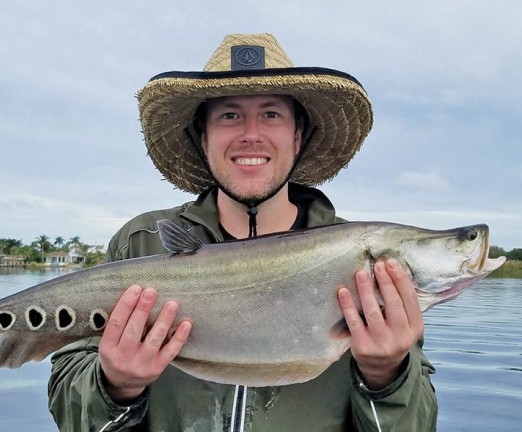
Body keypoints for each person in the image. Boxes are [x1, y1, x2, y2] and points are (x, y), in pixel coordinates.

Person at [48, 33, 438, 431]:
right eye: (229, 115)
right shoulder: (139, 244)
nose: (251, 133)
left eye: (271, 114)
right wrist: (116, 386)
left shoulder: (364, 263)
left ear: (297, 136)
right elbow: (72, 414)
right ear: (204, 138)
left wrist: (387, 375)